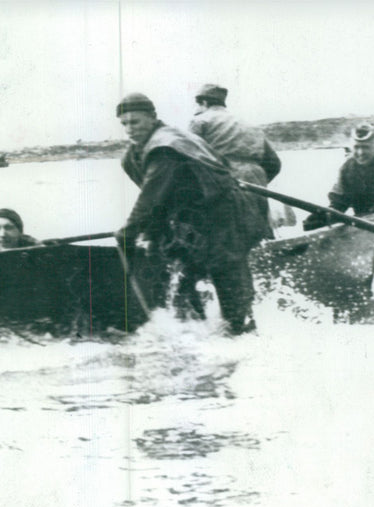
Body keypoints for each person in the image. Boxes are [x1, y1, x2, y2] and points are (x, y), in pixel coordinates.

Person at [114, 92, 267, 334]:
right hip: (191, 218)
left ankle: (241, 334)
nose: (130, 129)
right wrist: (151, 235)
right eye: (124, 124)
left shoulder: (166, 146)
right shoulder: (134, 155)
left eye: (136, 122)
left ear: (152, 118)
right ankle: (197, 333)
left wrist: (128, 231)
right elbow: (158, 204)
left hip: (224, 214)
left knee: (228, 277)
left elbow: (151, 197)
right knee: (182, 275)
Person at [302, 123, 374, 287]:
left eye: (365, 147)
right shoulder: (348, 167)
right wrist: (325, 215)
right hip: (366, 224)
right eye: (356, 147)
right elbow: (339, 200)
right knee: (362, 267)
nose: (360, 153)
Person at [188, 83, 295, 231]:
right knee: (257, 230)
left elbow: (189, 157)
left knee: (224, 231)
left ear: (203, 103)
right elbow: (274, 163)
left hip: (225, 180)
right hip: (256, 181)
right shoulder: (249, 124)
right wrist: (258, 181)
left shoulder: (200, 121)